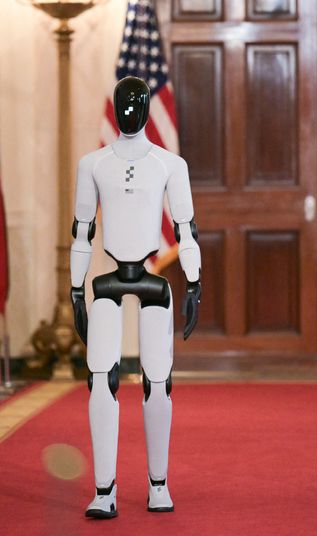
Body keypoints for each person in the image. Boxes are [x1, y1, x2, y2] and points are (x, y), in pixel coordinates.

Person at [70, 76, 201, 518]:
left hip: (151, 283)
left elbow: (186, 229)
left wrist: (194, 282)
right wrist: (75, 290)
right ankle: (103, 489)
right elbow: (82, 231)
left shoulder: (170, 164)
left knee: (158, 381)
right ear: (115, 105)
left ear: (147, 106)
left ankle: (158, 483)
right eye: (123, 104)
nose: (129, 111)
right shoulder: (93, 164)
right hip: (108, 282)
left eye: (136, 103)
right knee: (100, 378)